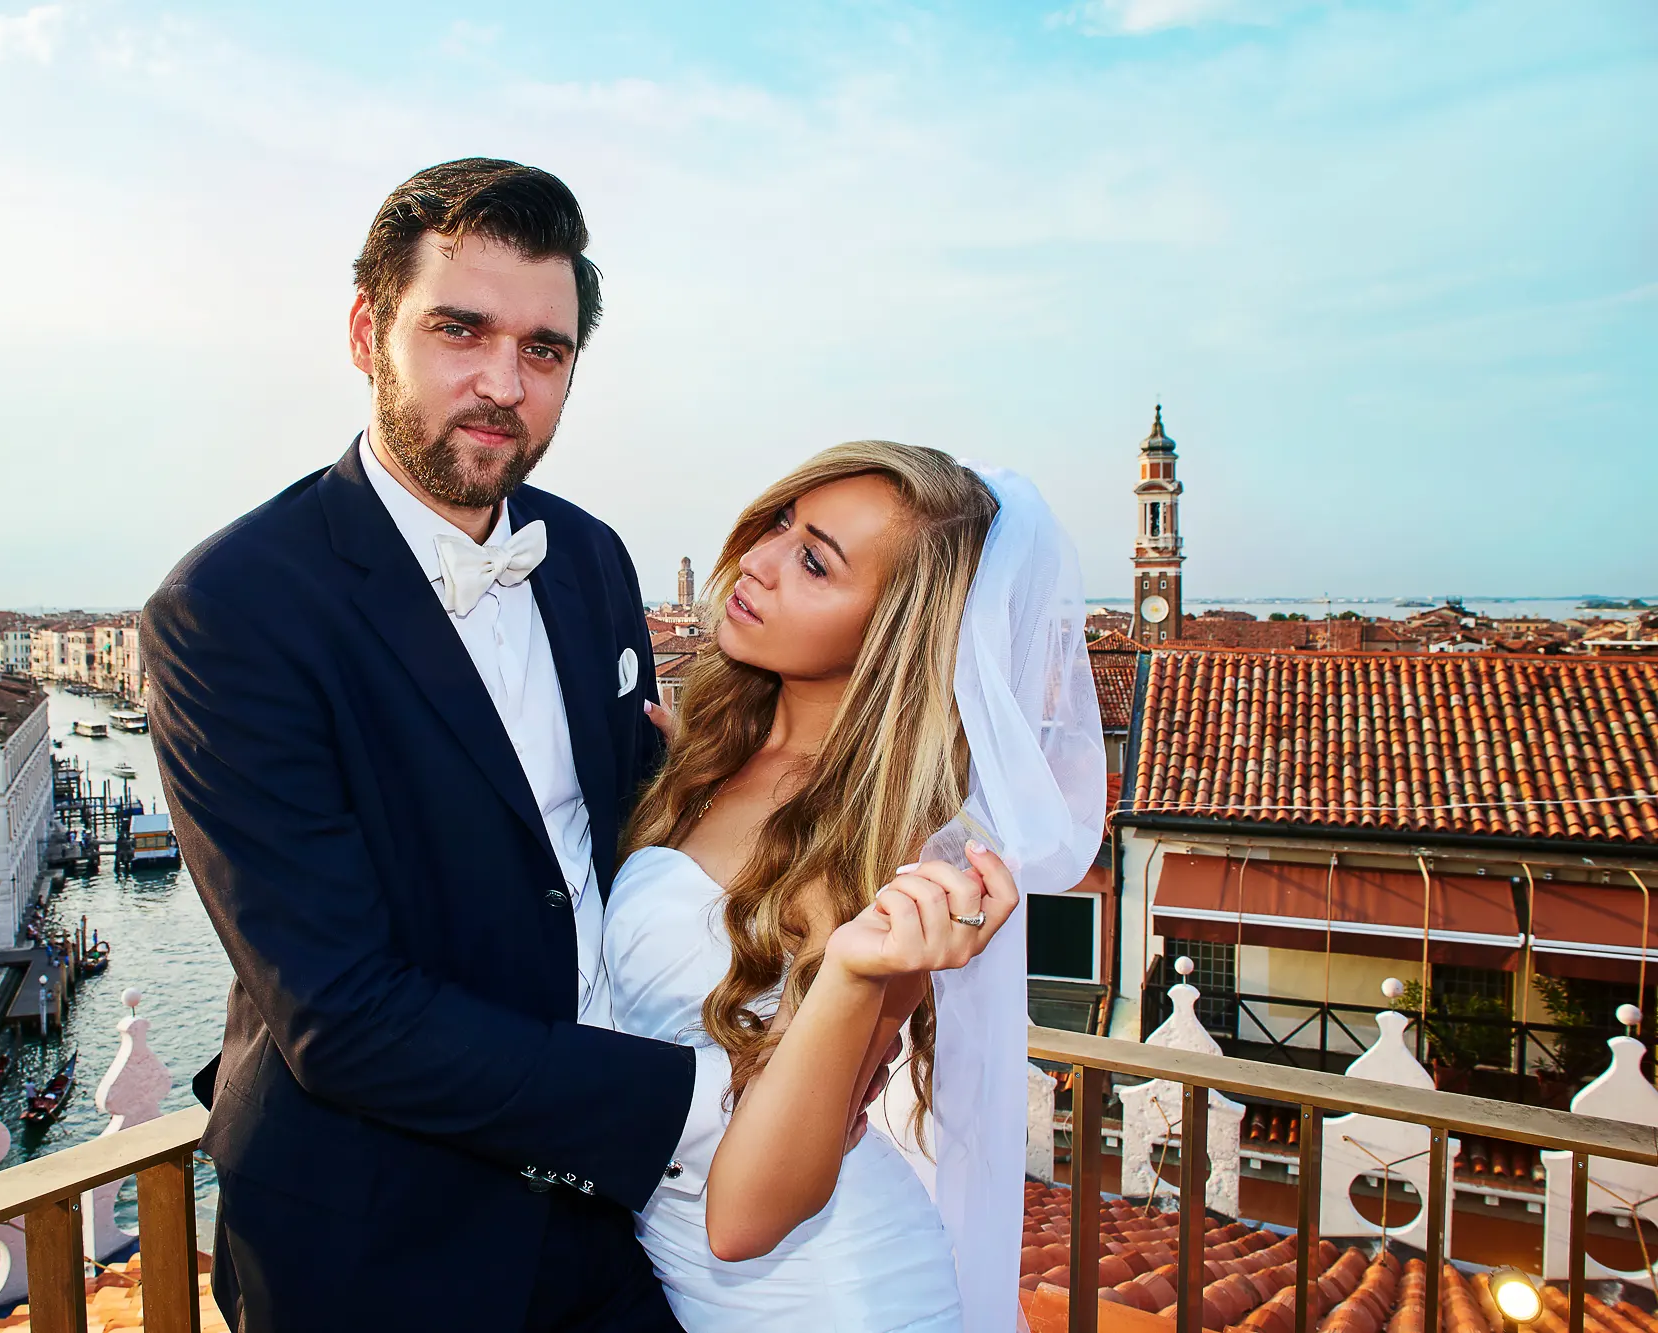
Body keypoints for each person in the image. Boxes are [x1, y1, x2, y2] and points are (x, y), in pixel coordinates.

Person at [142, 159, 954, 1333]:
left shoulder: (585, 560)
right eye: (458, 331)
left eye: (544, 350)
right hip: (383, 1232)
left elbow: (602, 837)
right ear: (369, 330)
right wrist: (696, 1099)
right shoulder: (232, 606)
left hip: (610, 1224)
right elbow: (341, 1015)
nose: (500, 384)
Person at [602, 445, 1105, 1330]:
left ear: (890, 634)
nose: (756, 559)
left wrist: (853, 975)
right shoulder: (717, 750)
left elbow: (744, 1219)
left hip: (825, 1298)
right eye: (782, 522)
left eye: (813, 561)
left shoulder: (900, 860)